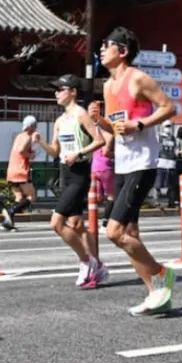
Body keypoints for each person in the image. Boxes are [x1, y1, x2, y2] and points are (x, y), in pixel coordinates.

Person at [92, 26, 180, 315]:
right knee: (129, 231)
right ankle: (156, 294)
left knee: (114, 232)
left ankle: (161, 273)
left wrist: (140, 124)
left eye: (107, 44)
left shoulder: (138, 78)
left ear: (123, 51)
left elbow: (169, 108)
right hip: (123, 161)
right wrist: (100, 122)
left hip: (143, 162)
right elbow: (116, 127)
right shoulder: (107, 86)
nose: (102, 48)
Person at [43, 75, 109, 288]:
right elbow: (55, 150)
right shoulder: (60, 120)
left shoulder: (81, 114)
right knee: (77, 224)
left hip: (79, 174)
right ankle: (97, 264)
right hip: (65, 173)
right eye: (55, 90)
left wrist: (79, 154)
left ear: (72, 91)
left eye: (60, 89)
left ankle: (86, 261)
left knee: (56, 223)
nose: (56, 93)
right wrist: (40, 143)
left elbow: (99, 141)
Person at [2, 115, 40, 231]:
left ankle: (8, 222)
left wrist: (30, 149)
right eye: (35, 126)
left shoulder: (19, 136)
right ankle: (10, 211)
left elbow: (20, 149)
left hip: (11, 170)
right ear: (31, 127)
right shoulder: (27, 137)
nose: (36, 128)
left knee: (19, 197)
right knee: (32, 196)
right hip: (21, 170)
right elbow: (21, 151)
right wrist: (31, 155)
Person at [88, 99, 115, 206]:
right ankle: (106, 219)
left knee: (97, 196)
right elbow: (106, 152)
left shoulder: (93, 129)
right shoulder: (105, 131)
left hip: (94, 168)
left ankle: (95, 219)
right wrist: (115, 156)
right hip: (105, 167)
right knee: (111, 195)